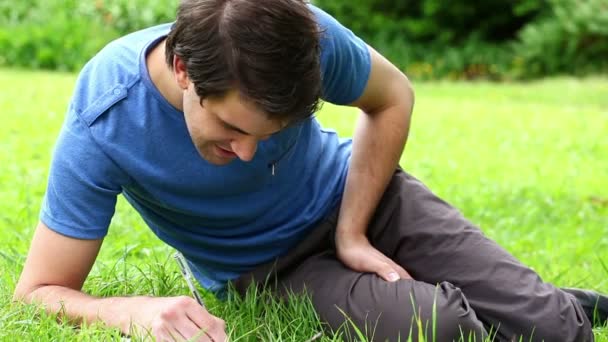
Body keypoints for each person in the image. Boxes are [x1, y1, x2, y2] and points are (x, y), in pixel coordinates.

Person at [12, 0, 607, 341]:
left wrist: (352, 231)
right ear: (184, 69)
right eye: (233, 131)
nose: (249, 156)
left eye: (269, 136)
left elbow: (393, 94)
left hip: (362, 196)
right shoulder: (106, 117)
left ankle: (551, 306)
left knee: (558, 331)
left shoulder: (303, 37)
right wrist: (134, 310)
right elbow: (38, 291)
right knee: (444, 330)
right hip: (267, 270)